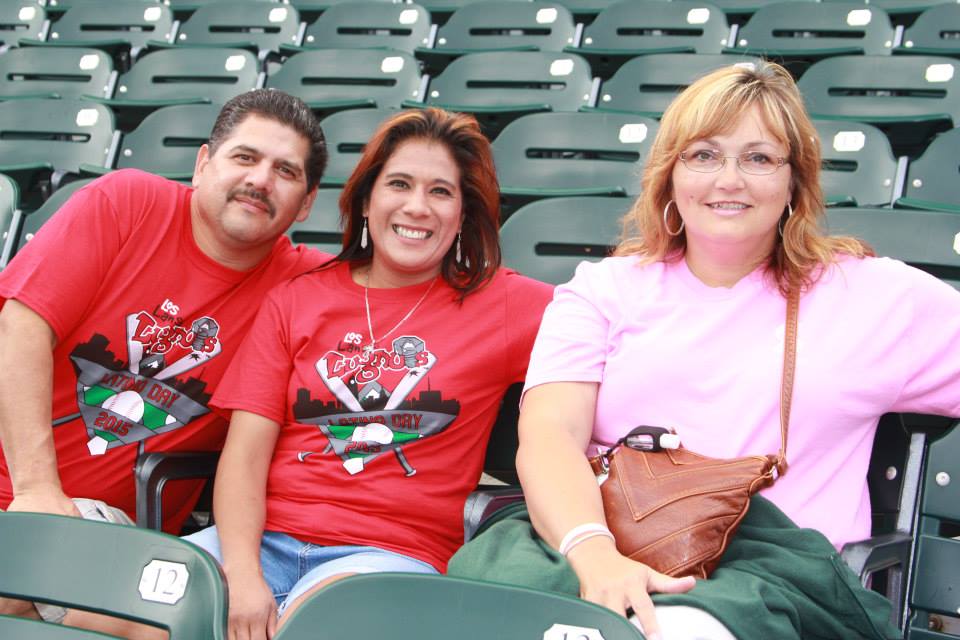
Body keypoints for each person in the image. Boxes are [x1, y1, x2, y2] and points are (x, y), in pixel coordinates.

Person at [497, 62, 960, 639]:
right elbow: (549, 437)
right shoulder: (603, 288)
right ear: (669, 175)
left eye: (760, 158)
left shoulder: (874, 295)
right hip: (593, 549)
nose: (729, 179)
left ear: (796, 181)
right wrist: (596, 557)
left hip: (777, 583)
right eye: (703, 155)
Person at [183, 107, 554, 639]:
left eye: (441, 192)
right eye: (398, 184)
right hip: (258, 540)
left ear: (465, 214)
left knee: (311, 629)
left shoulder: (507, 305)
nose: (416, 207)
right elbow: (244, 455)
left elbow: (623, 336)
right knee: (120, 611)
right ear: (365, 199)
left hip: (389, 556)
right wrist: (240, 575)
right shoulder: (297, 299)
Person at [0, 89, 328, 621]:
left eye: (285, 172)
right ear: (203, 164)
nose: (260, 180)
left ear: (307, 203)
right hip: (35, 492)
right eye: (244, 158)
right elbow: (21, 324)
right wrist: (37, 490)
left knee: (17, 576)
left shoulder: (305, 288)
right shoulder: (127, 203)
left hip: (108, 530)